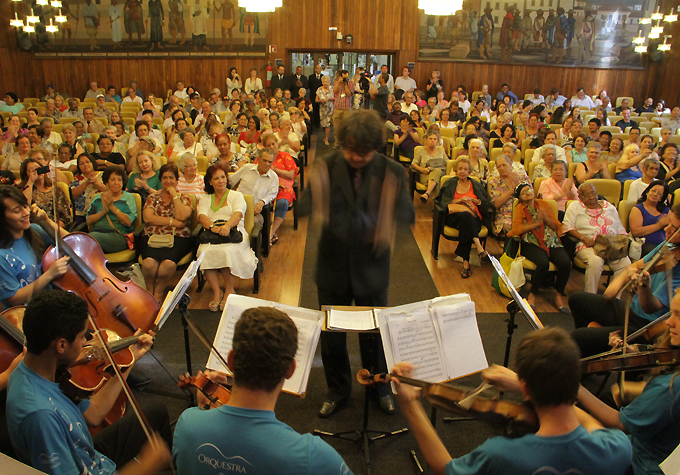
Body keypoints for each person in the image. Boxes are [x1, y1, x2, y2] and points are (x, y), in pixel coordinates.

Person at [298, 109, 414, 418]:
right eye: (350, 150)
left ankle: (379, 387)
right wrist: (315, 196)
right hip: (332, 267)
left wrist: (388, 219)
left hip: (373, 269)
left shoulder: (393, 172)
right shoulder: (326, 167)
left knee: (375, 336)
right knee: (333, 338)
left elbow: (407, 215)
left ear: (376, 146)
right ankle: (338, 389)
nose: (357, 157)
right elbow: (305, 206)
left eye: (363, 152)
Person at [394, 325, 631, 475]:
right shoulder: (617, 448)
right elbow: (592, 426)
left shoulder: (500, 455)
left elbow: (445, 468)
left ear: (525, 389)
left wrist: (410, 404)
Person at [6, 289, 171, 475]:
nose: (86, 342)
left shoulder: (38, 370)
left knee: (157, 413)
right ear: (61, 345)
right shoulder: (40, 415)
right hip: (87, 465)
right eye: (82, 336)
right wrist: (145, 466)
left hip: (86, 454)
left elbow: (94, 414)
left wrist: (129, 359)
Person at [173, 306, 352, 475]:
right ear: (290, 369)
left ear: (231, 361)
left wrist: (203, 408)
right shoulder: (314, 457)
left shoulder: (187, 425)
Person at [577, 288, 680, 475]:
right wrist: (634, 357)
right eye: (671, 313)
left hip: (642, 464)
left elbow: (621, 423)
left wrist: (575, 388)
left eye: (679, 316)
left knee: (574, 433)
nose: (669, 322)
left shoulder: (672, 387)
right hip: (659, 449)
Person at [570, 203, 680, 358]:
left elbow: (650, 308)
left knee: (577, 337)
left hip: (645, 325)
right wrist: (618, 282)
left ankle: (587, 352)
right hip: (631, 310)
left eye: (674, 228)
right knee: (577, 299)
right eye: (668, 223)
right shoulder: (669, 245)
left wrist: (644, 288)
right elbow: (635, 266)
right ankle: (588, 356)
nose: (666, 229)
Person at [197, 163, 258, 311]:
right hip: (213, 232)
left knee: (226, 252)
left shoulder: (236, 195)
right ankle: (217, 292)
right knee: (204, 252)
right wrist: (214, 228)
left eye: (223, 177)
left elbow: (238, 214)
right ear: (210, 181)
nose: (221, 180)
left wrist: (226, 227)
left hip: (234, 231)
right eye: (216, 178)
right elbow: (202, 217)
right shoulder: (205, 198)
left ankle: (230, 290)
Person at [0, 186, 70, 307]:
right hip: (24, 314)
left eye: (25, 206)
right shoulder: (2, 254)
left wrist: (47, 222)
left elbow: (72, 243)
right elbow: (13, 298)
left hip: (49, 304)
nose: (26, 213)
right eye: (17, 211)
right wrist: (49, 274)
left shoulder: (34, 230)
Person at [508, 183, 570, 312]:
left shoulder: (544, 205)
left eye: (529, 190)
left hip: (549, 239)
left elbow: (556, 226)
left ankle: (558, 294)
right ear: (519, 197)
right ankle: (532, 294)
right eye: (523, 192)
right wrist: (534, 224)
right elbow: (517, 229)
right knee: (543, 263)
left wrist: (547, 219)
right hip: (530, 241)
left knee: (565, 263)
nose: (527, 193)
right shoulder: (520, 208)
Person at [562, 182, 631, 294]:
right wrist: (583, 238)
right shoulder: (575, 206)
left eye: (594, 193)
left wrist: (621, 242)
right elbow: (567, 227)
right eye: (587, 195)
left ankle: (613, 297)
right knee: (595, 261)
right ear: (580, 197)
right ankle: (590, 296)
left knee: (625, 264)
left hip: (611, 245)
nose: (592, 197)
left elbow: (620, 228)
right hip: (588, 244)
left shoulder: (609, 206)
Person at [139, 164, 193, 302]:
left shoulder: (185, 198)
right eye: (164, 178)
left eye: (171, 178)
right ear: (160, 180)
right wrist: (172, 222)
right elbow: (147, 217)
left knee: (167, 265)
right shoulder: (153, 197)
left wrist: (175, 196)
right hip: (153, 236)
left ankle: (159, 290)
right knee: (149, 263)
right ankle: (149, 290)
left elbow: (182, 216)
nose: (168, 181)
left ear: (177, 180)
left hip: (177, 237)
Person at [437, 157, 490, 278]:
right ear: (456, 169)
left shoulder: (475, 184)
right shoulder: (450, 183)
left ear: (469, 171)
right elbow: (442, 202)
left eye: (465, 169)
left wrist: (475, 201)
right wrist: (459, 200)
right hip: (454, 217)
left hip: (473, 216)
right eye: (460, 168)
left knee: (467, 221)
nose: (462, 171)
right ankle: (478, 246)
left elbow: (485, 203)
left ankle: (466, 264)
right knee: (466, 218)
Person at [86, 166, 137, 253]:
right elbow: (89, 221)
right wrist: (103, 212)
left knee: (90, 239)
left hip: (119, 236)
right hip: (98, 233)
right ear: (106, 182)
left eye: (119, 180)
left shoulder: (128, 197)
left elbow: (128, 222)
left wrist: (111, 207)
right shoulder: (98, 197)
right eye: (113, 179)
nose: (116, 183)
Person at [19, 158, 72, 229]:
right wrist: (31, 181)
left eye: (38, 168)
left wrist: (52, 229)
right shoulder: (23, 190)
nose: (37, 171)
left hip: (53, 228)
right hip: (31, 228)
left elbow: (64, 217)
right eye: (32, 170)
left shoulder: (56, 190)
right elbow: (25, 205)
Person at [488, 154, 529, 236]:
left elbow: (530, 196)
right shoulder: (494, 182)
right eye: (499, 166)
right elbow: (496, 204)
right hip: (505, 214)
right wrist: (510, 191)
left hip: (524, 211)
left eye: (504, 165)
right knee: (508, 226)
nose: (502, 168)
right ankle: (511, 245)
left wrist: (518, 187)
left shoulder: (522, 178)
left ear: (510, 165)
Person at [629, 180, 670, 258]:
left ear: (662, 198)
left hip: (665, 244)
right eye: (653, 191)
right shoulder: (638, 209)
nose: (655, 194)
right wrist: (659, 225)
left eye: (659, 193)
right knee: (664, 256)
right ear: (647, 192)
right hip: (645, 245)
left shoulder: (666, 209)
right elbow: (635, 232)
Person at [411, 130, 450, 203]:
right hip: (425, 175)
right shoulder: (420, 150)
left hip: (440, 174)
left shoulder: (441, 150)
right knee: (437, 178)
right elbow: (413, 164)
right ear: (426, 140)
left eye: (435, 139)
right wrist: (422, 169)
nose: (432, 141)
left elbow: (448, 162)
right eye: (430, 139)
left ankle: (427, 193)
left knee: (438, 172)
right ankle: (437, 206)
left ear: (438, 141)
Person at [70, 153, 108, 226]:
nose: (85, 165)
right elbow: (72, 195)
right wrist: (87, 182)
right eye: (82, 163)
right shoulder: (76, 178)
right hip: (80, 213)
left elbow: (111, 191)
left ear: (92, 162)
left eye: (87, 162)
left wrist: (97, 184)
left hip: (100, 211)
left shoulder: (104, 175)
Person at [315, 75, 334, 146]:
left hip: (330, 108)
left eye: (327, 81)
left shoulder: (332, 88)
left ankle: (326, 138)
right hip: (322, 109)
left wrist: (332, 99)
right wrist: (320, 100)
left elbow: (336, 97)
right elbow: (316, 100)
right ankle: (325, 135)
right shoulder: (319, 89)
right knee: (323, 124)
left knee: (328, 124)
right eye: (324, 81)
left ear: (329, 82)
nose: (325, 83)